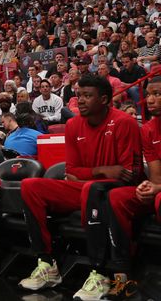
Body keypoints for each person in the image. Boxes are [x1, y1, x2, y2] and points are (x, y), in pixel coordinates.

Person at [17, 74, 142, 299]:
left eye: (87, 96)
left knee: (90, 189)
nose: (80, 100)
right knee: (30, 185)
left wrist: (90, 177)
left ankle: (101, 273)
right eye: (78, 95)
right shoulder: (73, 124)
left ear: (104, 99)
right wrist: (102, 170)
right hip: (89, 187)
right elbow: (72, 171)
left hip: (112, 190)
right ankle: (47, 264)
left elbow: (129, 175)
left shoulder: (125, 122)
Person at [102, 76, 161, 298]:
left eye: (157, 94)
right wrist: (148, 186)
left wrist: (157, 189)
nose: (151, 99)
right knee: (117, 196)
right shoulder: (147, 129)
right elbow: (156, 178)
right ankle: (122, 272)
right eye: (149, 95)